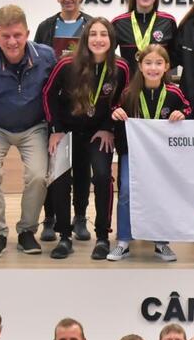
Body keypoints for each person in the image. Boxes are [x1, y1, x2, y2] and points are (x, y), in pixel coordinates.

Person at [0, 5, 56, 259]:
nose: (12, 41)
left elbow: (59, 96)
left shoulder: (47, 57)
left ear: (27, 32)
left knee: (39, 176)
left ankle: (27, 230)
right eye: (5, 36)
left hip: (34, 126)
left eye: (18, 35)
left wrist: (56, 130)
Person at [42, 17, 130, 260]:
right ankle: (64, 236)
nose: (98, 39)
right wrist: (56, 128)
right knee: (60, 178)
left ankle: (102, 236)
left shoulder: (121, 67)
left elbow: (123, 100)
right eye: (93, 34)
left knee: (102, 176)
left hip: (98, 132)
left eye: (104, 35)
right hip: (67, 130)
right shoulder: (67, 64)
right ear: (85, 38)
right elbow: (48, 94)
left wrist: (109, 127)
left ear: (111, 40)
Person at [107, 44, 190, 262]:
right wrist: (116, 112)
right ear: (140, 66)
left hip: (162, 158)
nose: (153, 68)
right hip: (132, 155)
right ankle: (124, 240)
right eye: (148, 63)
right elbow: (112, 110)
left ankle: (160, 241)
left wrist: (181, 114)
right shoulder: (128, 93)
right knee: (125, 192)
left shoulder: (174, 93)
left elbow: (188, 109)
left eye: (158, 63)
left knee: (160, 193)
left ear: (167, 67)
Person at [35, 0, 94, 243]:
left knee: (82, 166)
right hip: (56, 105)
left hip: (84, 104)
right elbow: (36, 62)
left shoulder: (92, 25)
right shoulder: (46, 27)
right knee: (55, 167)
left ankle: (80, 217)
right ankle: (50, 219)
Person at [113, 0, 177, 72]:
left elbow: (175, 57)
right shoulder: (119, 23)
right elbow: (106, 55)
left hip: (158, 85)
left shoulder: (168, 21)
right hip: (129, 86)